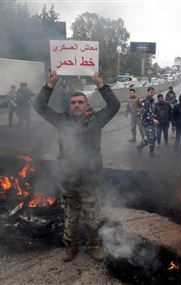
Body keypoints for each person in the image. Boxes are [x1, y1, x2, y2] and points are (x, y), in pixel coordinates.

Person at [34, 71, 120, 262]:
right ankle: (71, 247)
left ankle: (93, 246)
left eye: (80, 102)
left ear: (86, 104)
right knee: (71, 217)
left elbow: (114, 105)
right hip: (68, 178)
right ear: (69, 106)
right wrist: (49, 85)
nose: (76, 105)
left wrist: (102, 85)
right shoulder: (61, 120)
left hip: (91, 178)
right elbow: (38, 106)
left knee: (92, 216)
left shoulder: (97, 120)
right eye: (73, 103)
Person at [136, 86, 159, 158]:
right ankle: (150, 153)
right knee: (151, 138)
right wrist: (153, 119)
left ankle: (142, 146)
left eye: (153, 92)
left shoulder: (153, 101)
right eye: (151, 92)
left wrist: (156, 118)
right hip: (146, 123)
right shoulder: (144, 102)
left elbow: (153, 111)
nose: (152, 93)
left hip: (152, 123)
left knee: (154, 137)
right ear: (147, 92)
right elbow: (145, 113)